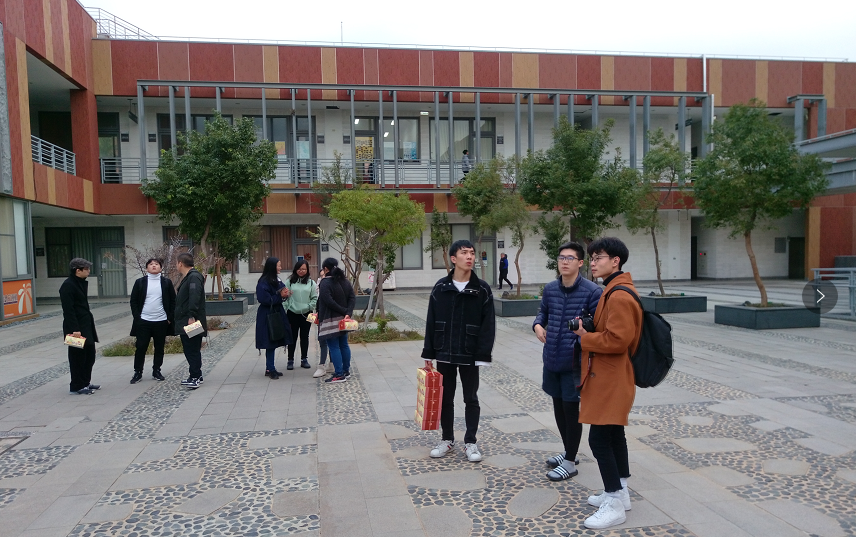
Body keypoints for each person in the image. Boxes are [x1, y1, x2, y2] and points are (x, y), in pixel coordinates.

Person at [572, 237, 643, 530]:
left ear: (616, 261)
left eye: (598, 257)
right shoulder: (612, 289)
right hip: (611, 375)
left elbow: (618, 340)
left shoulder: (619, 296)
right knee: (614, 435)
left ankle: (614, 502)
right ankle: (620, 491)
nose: (593, 262)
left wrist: (584, 337)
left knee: (599, 440)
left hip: (611, 378)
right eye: (592, 258)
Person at [533, 242, 602, 481]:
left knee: (571, 411)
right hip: (552, 358)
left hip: (574, 362)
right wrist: (538, 325)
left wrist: (583, 331)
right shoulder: (551, 289)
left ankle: (570, 462)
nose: (565, 262)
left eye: (570, 258)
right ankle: (568, 451)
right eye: (561, 257)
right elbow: (542, 313)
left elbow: (597, 325)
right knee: (559, 408)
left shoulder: (592, 291)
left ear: (580, 263)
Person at [422, 240, 495, 462]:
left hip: (470, 352)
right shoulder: (441, 287)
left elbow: (488, 324)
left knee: (471, 398)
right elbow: (431, 320)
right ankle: (447, 439)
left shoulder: (482, 288)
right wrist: (429, 353)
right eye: (464, 253)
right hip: (444, 351)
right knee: (446, 398)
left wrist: (483, 354)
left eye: (472, 253)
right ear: (454, 258)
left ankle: (470, 442)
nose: (470, 257)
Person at [129, 258, 176, 384]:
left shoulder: (166, 282)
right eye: (151, 264)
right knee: (141, 347)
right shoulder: (140, 282)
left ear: (161, 268)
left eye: (156, 264)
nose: (154, 266)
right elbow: (133, 301)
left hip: (161, 320)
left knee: (159, 347)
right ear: (146, 268)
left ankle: (157, 370)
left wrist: (169, 318)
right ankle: (138, 372)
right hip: (144, 320)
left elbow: (173, 300)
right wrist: (137, 318)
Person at [60, 258, 100, 395]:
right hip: (75, 328)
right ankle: (77, 385)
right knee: (77, 358)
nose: (89, 271)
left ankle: (85, 382)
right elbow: (68, 310)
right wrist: (74, 329)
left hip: (86, 325)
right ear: (78, 270)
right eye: (86, 269)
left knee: (90, 355)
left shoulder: (80, 283)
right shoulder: (68, 285)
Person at [317, 257, 356, 384]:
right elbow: (352, 297)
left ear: (325, 269)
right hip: (344, 320)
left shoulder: (325, 282)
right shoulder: (345, 281)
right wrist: (347, 313)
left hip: (330, 320)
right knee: (344, 345)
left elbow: (328, 301)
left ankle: (339, 374)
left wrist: (343, 310)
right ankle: (345, 371)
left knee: (334, 346)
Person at [255, 257, 293, 378]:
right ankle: (270, 369)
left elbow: (281, 293)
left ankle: (270, 367)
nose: (280, 267)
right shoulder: (263, 282)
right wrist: (279, 295)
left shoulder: (276, 279)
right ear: (272, 267)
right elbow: (264, 299)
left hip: (277, 312)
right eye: (279, 265)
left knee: (275, 340)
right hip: (267, 314)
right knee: (270, 341)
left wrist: (286, 294)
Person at [174, 253, 208, 390]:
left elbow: (194, 297)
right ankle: (196, 375)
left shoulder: (193, 277)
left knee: (192, 348)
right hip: (188, 319)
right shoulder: (190, 276)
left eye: (176, 263)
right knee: (190, 348)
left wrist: (191, 315)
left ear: (180, 263)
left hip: (191, 320)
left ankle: (195, 377)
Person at [285, 260, 317, 370]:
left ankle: (304, 359)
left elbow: (314, 298)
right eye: (299, 269)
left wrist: (309, 306)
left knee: (305, 336)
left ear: (307, 270)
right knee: (292, 337)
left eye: (304, 269)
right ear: (295, 269)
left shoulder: (311, 283)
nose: (301, 271)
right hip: (292, 313)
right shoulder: (289, 282)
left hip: (307, 314)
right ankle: (290, 360)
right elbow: (285, 298)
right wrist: (285, 308)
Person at [312, 269, 334, 378]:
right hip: (322, 318)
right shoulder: (320, 286)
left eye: (323, 276)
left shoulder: (332, 287)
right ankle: (329, 364)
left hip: (330, 319)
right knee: (323, 342)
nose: (322, 278)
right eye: (320, 276)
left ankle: (323, 366)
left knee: (327, 342)